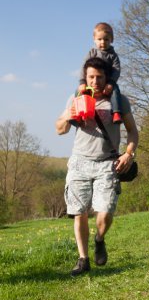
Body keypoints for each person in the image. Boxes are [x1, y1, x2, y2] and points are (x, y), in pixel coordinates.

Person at [56, 57, 139, 276]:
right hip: (79, 163)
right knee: (79, 212)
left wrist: (129, 154)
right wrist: (68, 117)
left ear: (106, 78)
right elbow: (60, 129)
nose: (95, 81)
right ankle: (83, 259)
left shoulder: (118, 100)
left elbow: (132, 132)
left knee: (105, 213)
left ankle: (99, 239)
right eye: (91, 77)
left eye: (99, 77)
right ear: (86, 77)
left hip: (107, 164)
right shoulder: (76, 97)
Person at [77, 22, 122, 124]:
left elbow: (116, 70)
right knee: (78, 92)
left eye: (106, 39)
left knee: (115, 92)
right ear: (94, 39)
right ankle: (78, 112)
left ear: (112, 40)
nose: (103, 42)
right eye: (99, 39)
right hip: (92, 83)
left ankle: (116, 112)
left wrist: (111, 83)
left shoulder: (113, 55)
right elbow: (83, 67)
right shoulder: (92, 53)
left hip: (107, 82)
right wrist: (82, 82)